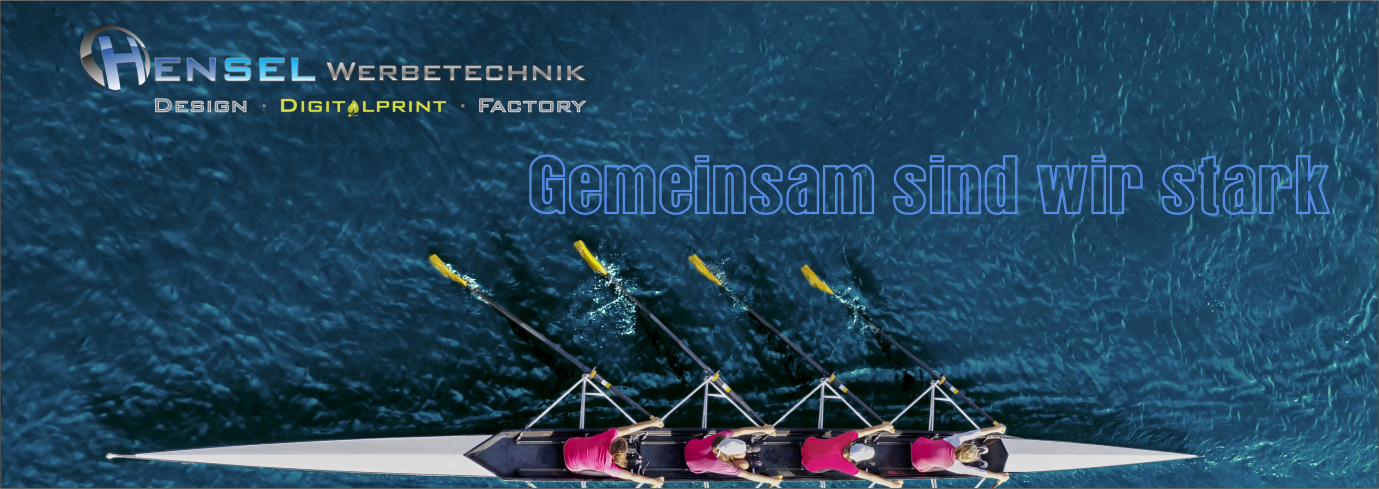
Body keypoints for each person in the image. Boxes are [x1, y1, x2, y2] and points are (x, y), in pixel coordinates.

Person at [563, 416, 666, 488]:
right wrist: (654, 481)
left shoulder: (608, 436)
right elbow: (631, 476)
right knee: (604, 472)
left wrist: (652, 422)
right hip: (570, 465)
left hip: (569, 443)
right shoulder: (608, 466)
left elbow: (630, 428)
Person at [800, 421, 903, 488]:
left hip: (808, 443)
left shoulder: (848, 438)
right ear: (856, 460)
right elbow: (870, 477)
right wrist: (891, 484)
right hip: (808, 465)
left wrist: (883, 427)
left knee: (826, 444)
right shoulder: (847, 466)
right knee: (829, 465)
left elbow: (865, 431)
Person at [683, 424, 785, 487]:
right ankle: (746, 456)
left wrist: (764, 429)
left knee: (742, 456)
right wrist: (770, 480)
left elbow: (740, 431)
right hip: (693, 467)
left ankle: (745, 453)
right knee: (744, 465)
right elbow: (747, 475)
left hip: (690, 445)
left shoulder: (719, 439)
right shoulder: (720, 465)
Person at [911, 423, 1010, 484]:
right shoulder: (954, 467)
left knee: (938, 448)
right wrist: (999, 476)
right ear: (966, 460)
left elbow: (975, 433)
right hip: (917, 465)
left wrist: (996, 429)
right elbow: (978, 472)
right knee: (943, 467)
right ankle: (978, 452)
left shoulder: (955, 440)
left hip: (917, 444)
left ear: (964, 445)